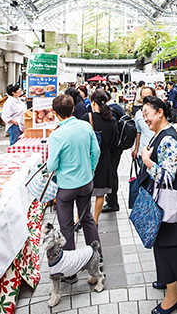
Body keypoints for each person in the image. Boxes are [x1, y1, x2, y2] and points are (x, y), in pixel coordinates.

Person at [139, 96, 177, 314]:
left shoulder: (168, 139)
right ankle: (166, 280)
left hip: (170, 207)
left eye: (147, 114)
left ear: (160, 112)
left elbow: (166, 176)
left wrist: (146, 160)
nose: (145, 119)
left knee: (168, 246)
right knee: (161, 244)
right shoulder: (160, 134)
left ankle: (173, 296)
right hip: (164, 204)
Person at [47, 94, 102, 283]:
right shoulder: (85, 126)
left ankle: (70, 272)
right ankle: (97, 258)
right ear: (72, 109)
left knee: (67, 225)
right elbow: (96, 151)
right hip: (86, 182)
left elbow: (51, 165)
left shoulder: (56, 135)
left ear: (55, 113)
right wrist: (91, 169)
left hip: (67, 186)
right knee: (87, 219)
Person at [81, 90, 118, 225]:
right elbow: (115, 141)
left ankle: (81, 219)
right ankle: (95, 220)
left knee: (84, 193)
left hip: (88, 160)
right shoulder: (112, 120)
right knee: (100, 193)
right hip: (105, 160)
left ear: (94, 103)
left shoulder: (86, 117)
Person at [102, 92, 126, 213]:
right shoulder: (118, 107)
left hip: (113, 148)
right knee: (113, 173)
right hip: (118, 146)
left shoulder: (111, 110)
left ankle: (113, 203)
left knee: (111, 174)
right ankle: (111, 201)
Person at [132, 86, 156, 166]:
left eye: (148, 97)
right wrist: (136, 149)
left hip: (157, 153)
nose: (146, 100)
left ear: (154, 96)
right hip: (143, 153)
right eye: (143, 97)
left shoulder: (160, 113)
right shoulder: (138, 114)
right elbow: (138, 133)